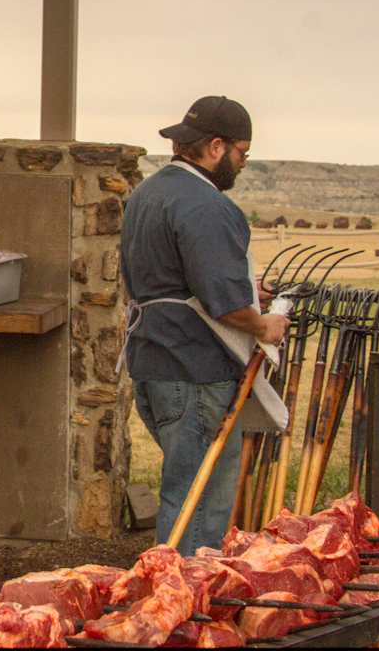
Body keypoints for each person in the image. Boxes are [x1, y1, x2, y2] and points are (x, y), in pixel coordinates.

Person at [118, 95, 290, 556]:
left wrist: (245, 290)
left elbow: (173, 277)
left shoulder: (146, 194)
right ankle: (184, 605)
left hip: (152, 362)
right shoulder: (206, 205)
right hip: (193, 368)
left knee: (182, 483)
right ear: (216, 146)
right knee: (200, 497)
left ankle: (173, 594)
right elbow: (226, 307)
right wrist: (263, 324)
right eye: (242, 153)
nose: (243, 164)